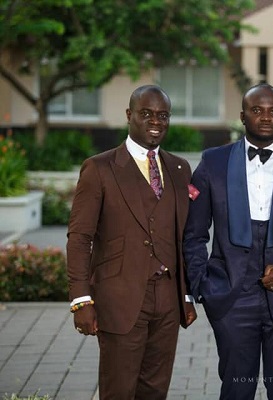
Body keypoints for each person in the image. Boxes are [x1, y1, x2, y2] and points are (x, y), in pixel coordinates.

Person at [182, 83, 273, 399]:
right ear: (242, 116)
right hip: (232, 296)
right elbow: (193, 234)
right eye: (257, 110)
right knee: (236, 390)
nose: (265, 117)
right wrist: (202, 285)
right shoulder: (213, 162)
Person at [66, 84, 197, 399]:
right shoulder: (99, 168)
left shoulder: (180, 169)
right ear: (129, 115)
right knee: (119, 389)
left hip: (167, 298)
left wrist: (187, 295)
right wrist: (81, 299)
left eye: (163, 115)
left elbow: (186, 237)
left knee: (155, 389)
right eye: (147, 114)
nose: (156, 121)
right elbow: (79, 238)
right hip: (119, 297)